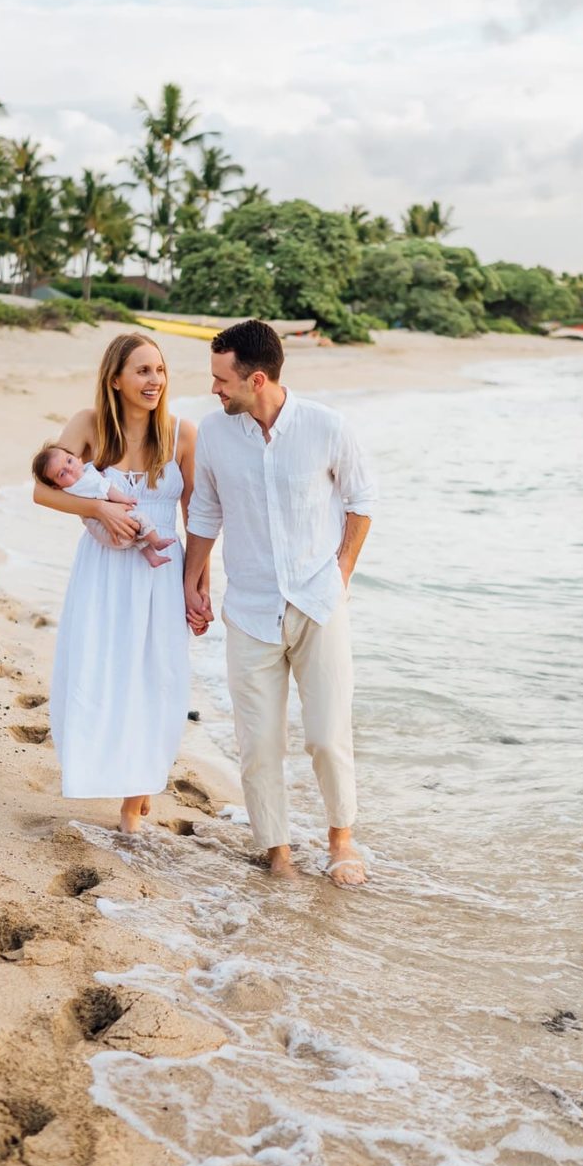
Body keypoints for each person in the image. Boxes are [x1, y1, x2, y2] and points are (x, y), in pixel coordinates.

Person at [183, 319, 377, 887]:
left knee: (325, 735)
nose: (215, 390)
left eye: (222, 380)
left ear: (257, 378)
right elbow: (206, 513)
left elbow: (361, 501)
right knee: (259, 742)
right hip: (249, 608)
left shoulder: (326, 426)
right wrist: (193, 581)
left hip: (319, 603)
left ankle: (341, 840)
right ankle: (278, 852)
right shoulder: (216, 435)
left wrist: (341, 572)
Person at [33, 333, 196, 834]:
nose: (154, 381)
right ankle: (105, 770)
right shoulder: (87, 425)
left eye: (160, 370)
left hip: (161, 569)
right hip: (103, 570)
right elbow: (43, 491)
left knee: (156, 678)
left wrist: (198, 582)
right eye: (143, 371)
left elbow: (198, 512)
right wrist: (99, 506)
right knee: (102, 670)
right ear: (116, 379)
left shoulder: (182, 434)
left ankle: (135, 799)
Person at [31, 443, 176, 568]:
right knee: (140, 518)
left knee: (137, 538)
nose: (70, 469)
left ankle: (152, 557)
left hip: (107, 534)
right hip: (110, 531)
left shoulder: (83, 476)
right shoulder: (81, 484)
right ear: (56, 486)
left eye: (69, 461)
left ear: (77, 458)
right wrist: (126, 499)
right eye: (62, 474)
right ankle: (156, 541)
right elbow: (108, 491)